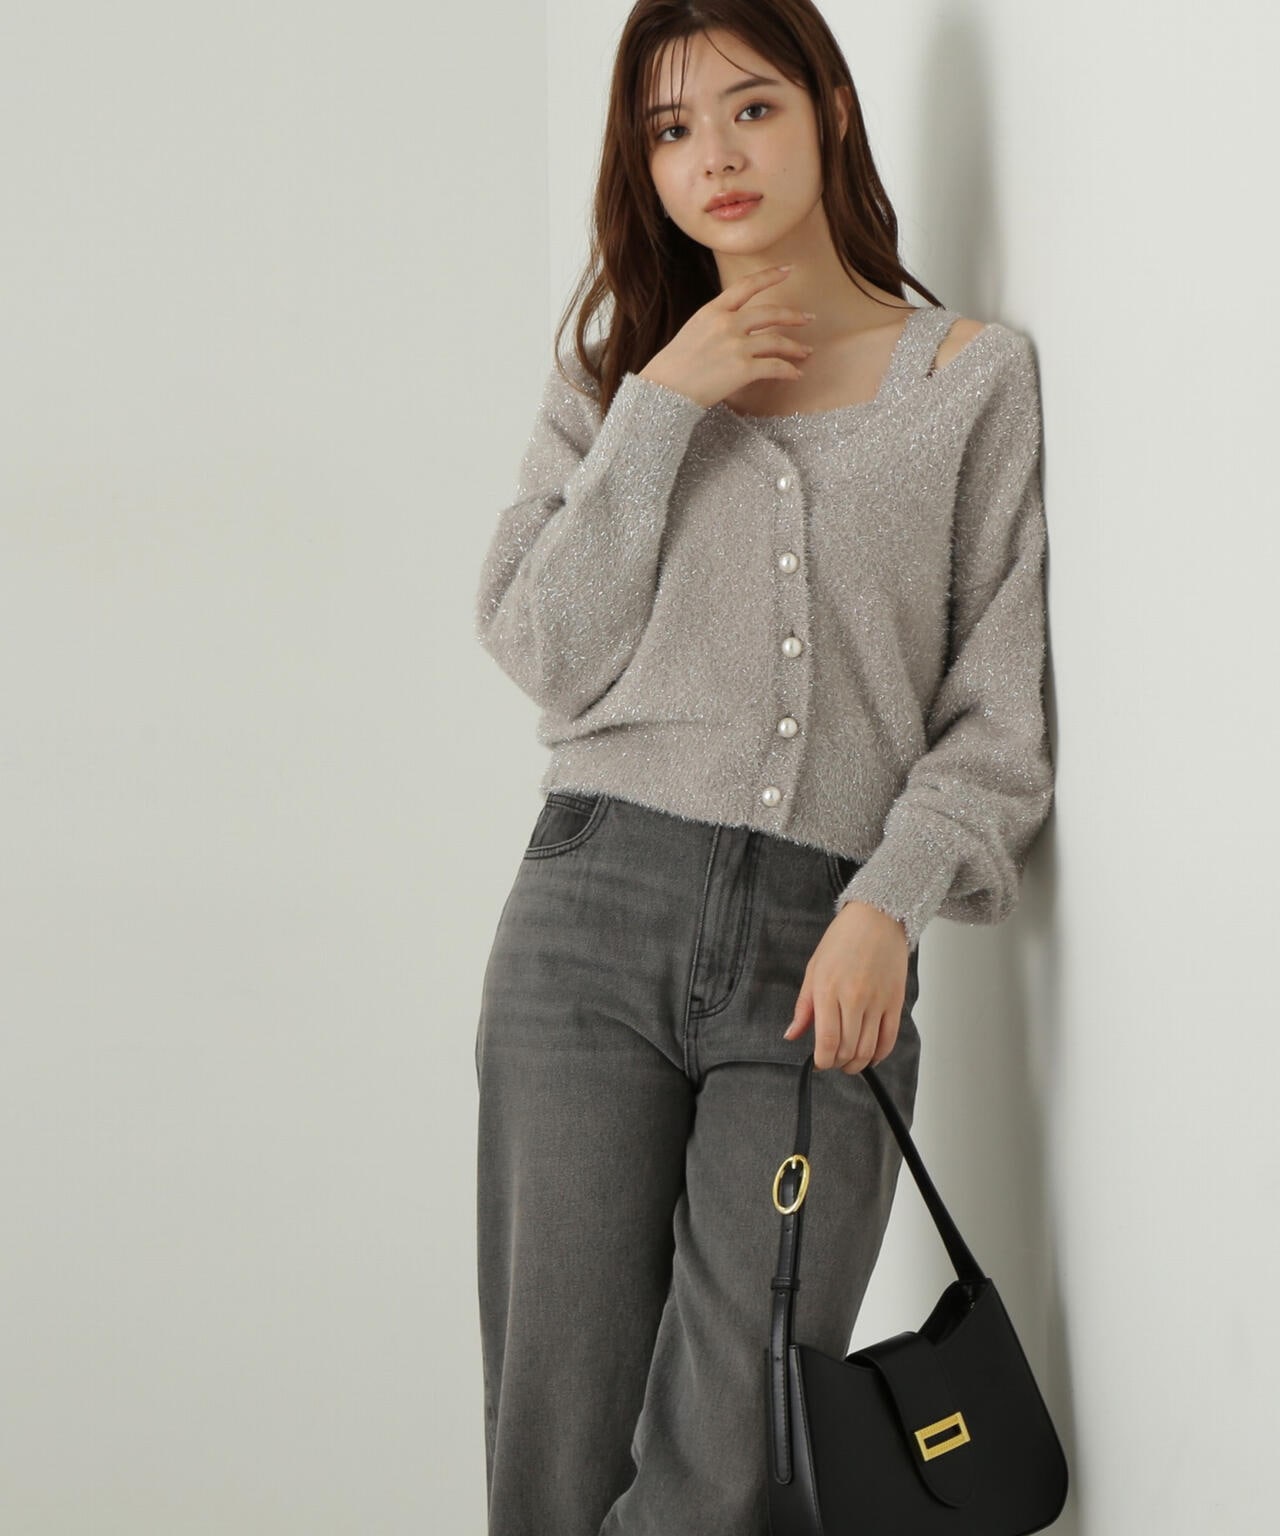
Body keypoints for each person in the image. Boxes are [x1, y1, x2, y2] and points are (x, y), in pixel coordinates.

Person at [470, 2, 1054, 1532]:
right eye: (670, 131)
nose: (714, 158)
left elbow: (996, 716)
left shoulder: (967, 381)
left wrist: (889, 903)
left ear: (831, 112)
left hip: (826, 953)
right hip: (587, 927)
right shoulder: (613, 382)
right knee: (556, 1447)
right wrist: (665, 405)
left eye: (750, 109)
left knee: (737, 1456)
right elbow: (542, 646)